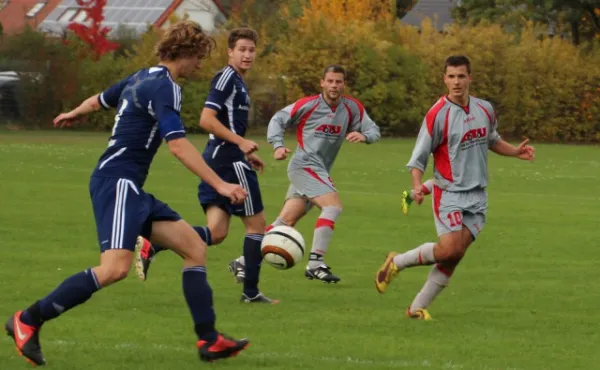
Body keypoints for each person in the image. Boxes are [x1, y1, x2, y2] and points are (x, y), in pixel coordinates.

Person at [4, 21, 251, 366]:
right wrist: (221, 185)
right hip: (118, 183)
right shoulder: (167, 88)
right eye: (199, 57)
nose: (200, 65)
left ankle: (209, 340)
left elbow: (101, 99)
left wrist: (74, 113)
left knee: (194, 246)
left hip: (130, 186)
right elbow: (178, 146)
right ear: (188, 52)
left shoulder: (140, 76)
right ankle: (28, 319)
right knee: (114, 269)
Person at [375, 55, 535, 319]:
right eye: (451, 76)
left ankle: (416, 308)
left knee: (456, 254)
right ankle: (397, 262)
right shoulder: (437, 115)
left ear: (470, 78)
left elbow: (492, 140)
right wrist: (416, 186)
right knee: (449, 249)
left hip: (478, 195)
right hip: (448, 193)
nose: (456, 82)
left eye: (461, 76)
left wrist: (515, 152)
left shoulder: (484, 109)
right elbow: (418, 158)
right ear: (444, 79)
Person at [135, 27, 277, 304]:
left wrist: (244, 150)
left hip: (222, 156)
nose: (247, 55)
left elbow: (222, 124)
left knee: (217, 233)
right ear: (230, 52)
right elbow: (207, 120)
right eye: (242, 49)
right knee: (257, 227)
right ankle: (250, 292)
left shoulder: (237, 81)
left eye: (251, 50)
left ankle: (156, 243)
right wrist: (240, 143)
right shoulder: (226, 78)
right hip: (227, 159)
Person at [229, 64, 381, 284]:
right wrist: (278, 145)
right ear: (322, 83)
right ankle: (315, 264)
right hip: (304, 166)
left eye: (338, 81)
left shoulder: (351, 108)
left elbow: (374, 130)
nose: (334, 85)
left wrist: (364, 136)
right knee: (333, 206)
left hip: (319, 170)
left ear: (344, 84)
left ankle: (242, 261)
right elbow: (278, 119)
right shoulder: (308, 105)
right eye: (330, 81)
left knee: (285, 222)